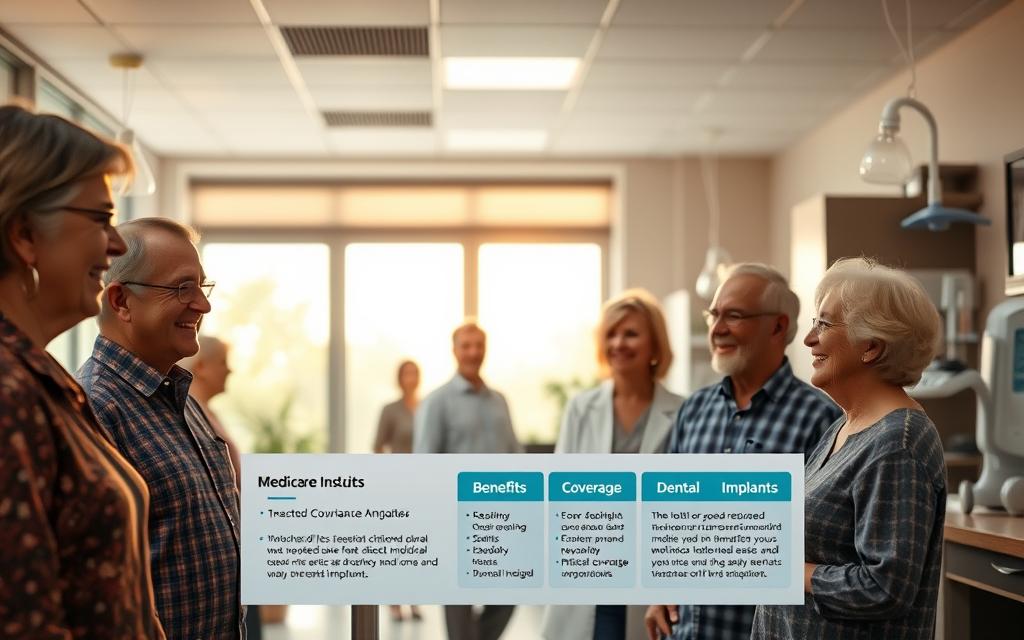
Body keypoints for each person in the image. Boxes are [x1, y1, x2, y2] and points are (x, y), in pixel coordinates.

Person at [0, 104, 165, 638]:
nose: (116, 246)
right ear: (24, 233)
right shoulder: (7, 394)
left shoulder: (40, 376)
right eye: (100, 220)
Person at [751, 257, 946, 639]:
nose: (808, 340)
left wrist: (790, 570)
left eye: (823, 324)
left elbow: (885, 588)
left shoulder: (899, 442)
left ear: (870, 347)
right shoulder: (844, 427)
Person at [645, 263, 841, 640]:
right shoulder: (693, 410)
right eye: (713, 314)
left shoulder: (822, 420)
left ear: (779, 327)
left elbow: (823, 547)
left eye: (733, 315)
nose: (717, 328)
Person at [76, 217, 244, 639]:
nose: (203, 306)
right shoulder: (95, 409)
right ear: (121, 302)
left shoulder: (179, 398)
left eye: (202, 288)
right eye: (181, 287)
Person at [542, 289, 684, 640]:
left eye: (631, 333)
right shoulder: (581, 408)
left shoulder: (683, 410)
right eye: (611, 334)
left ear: (655, 345)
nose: (619, 343)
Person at [414, 321, 521, 640]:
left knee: (510, 590)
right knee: (458, 607)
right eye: (466, 345)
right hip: (458, 519)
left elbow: (515, 454)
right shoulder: (437, 402)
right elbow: (425, 464)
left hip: (504, 516)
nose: (474, 352)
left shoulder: (499, 400)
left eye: (479, 345)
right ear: (454, 350)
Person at [180, 335, 264, 640]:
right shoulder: (190, 417)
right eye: (223, 363)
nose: (230, 371)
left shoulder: (207, 415)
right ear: (201, 367)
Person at [373, 359, 424, 622]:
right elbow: (378, 445)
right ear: (399, 377)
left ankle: (415, 600)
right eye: (406, 373)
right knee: (396, 545)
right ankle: (394, 603)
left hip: (422, 484)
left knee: (417, 545)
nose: (411, 377)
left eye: (415, 372)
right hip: (396, 483)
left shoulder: (427, 407)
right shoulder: (390, 410)